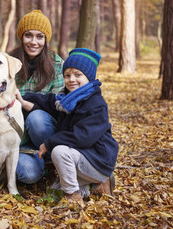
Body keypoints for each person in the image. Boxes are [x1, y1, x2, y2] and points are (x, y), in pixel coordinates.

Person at [16, 48, 118, 201]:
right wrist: (23, 99)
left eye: (78, 75)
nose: (71, 79)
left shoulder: (95, 104)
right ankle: (97, 185)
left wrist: (49, 143)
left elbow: (82, 137)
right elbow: (47, 101)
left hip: (97, 160)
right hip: (81, 157)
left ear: (89, 77)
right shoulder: (68, 99)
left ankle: (72, 197)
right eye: (67, 75)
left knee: (59, 151)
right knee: (53, 192)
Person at [8, 10, 64, 184]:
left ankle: (53, 162)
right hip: (17, 134)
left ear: (46, 39)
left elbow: (60, 106)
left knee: (37, 118)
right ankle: (37, 165)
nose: (33, 42)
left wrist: (28, 105)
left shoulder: (56, 64)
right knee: (28, 175)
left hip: (45, 132)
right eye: (28, 36)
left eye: (40, 37)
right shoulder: (9, 62)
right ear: (21, 37)